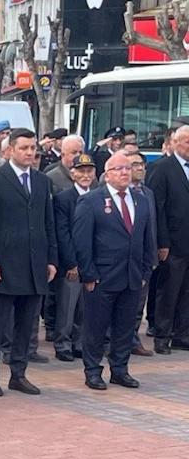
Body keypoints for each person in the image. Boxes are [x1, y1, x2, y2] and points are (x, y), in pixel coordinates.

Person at [0, 128, 57, 397]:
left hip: (34, 265)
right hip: (4, 265)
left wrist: (51, 259)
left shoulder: (42, 181)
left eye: (33, 148)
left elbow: (48, 224)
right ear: (9, 150)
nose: (30, 153)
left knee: (26, 324)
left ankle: (18, 374)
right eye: (24, 148)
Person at [73, 152, 155, 390]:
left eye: (128, 168)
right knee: (96, 328)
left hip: (132, 277)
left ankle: (120, 369)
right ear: (106, 175)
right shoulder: (92, 201)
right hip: (101, 277)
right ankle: (92, 371)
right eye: (118, 169)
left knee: (125, 326)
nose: (124, 173)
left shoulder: (140, 200)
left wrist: (145, 272)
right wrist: (88, 274)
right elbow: (82, 241)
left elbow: (147, 238)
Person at [147, 125, 189, 354]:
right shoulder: (161, 168)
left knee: (187, 292)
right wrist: (161, 242)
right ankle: (162, 335)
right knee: (169, 291)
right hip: (172, 244)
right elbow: (157, 207)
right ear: (175, 143)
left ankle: (183, 334)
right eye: (187, 142)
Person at [52, 154, 96, 362]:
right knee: (67, 307)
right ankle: (62, 343)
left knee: (85, 307)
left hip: (92, 263)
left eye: (89, 171)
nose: (85, 175)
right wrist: (72, 263)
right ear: (73, 174)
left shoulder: (97, 196)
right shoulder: (64, 198)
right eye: (81, 171)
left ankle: (79, 343)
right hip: (72, 263)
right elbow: (63, 234)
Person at [127, 150, 157, 357]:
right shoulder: (109, 193)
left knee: (139, 302)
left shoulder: (147, 193)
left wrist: (151, 256)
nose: (140, 168)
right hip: (119, 259)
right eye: (134, 164)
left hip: (142, 257)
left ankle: (133, 339)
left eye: (141, 164)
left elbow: (152, 227)